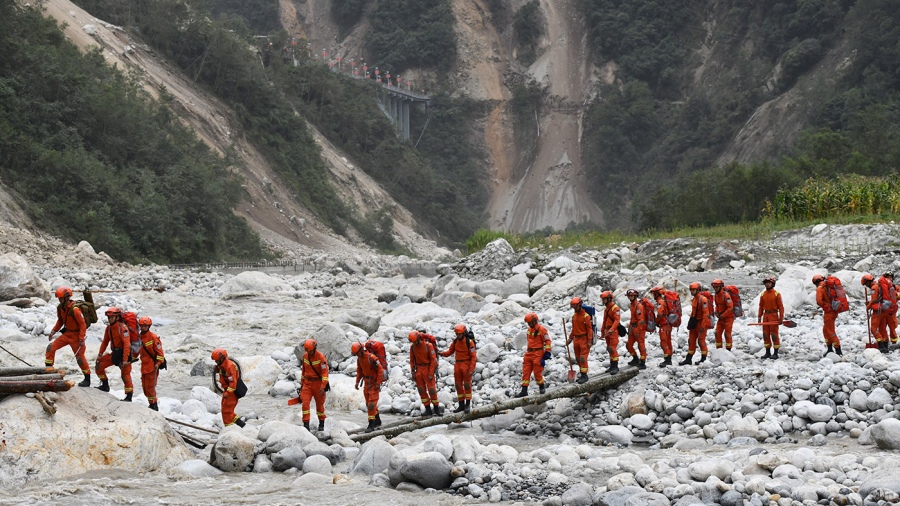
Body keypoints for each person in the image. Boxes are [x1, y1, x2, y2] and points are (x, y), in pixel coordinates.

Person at [45, 286, 91, 387]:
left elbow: (82, 324)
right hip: (67, 334)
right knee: (50, 348)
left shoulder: (75, 309)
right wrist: (53, 331)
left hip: (76, 336)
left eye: (61, 298)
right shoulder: (61, 308)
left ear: (66, 298)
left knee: (80, 358)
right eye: (59, 298)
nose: (59, 300)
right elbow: (60, 321)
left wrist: (81, 338)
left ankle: (87, 378)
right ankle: (48, 372)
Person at [95, 307, 134, 401]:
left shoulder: (123, 328)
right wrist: (100, 355)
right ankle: (105, 385)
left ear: (117, 317)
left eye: (112, 317)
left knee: (125, 375)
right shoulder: (109, 328)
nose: (110, 319)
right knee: (99, 366)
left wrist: (125, 359)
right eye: (109, 317)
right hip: (115, 353)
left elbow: (126, 344)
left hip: (125, 354)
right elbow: (105, 342)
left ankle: (129, 396)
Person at [440, 324, 477, 412]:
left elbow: (473, 357)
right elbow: (450, 351)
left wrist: (471, 369)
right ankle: (461, 405)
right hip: (458, 365)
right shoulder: (455, 341)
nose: (458, 335)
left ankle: (467, 405)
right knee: (458, 385)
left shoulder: (469, 342)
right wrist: (441, 353)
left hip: (466, 365)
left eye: (459, 334)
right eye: (457, 334)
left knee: (467, 385)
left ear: (463, 333)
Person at [352, 342, 385, 433]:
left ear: (361, 350)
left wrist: (378, 383)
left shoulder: (371, 357)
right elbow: (359, 371)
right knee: (368, 404)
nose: (357, 355)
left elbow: (380, 370)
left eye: (357, 353)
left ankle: (371, 424)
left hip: (374, 383)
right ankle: (377, 420)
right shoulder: (360, 359)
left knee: (371, 405)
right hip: (366, 383)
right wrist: (357, 382)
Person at [517, 312, 551, 397]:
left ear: (534, 321)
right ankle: (524, 390)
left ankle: (541, 386)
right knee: (526, 372)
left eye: (530, 322)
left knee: (537, 372)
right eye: (528, 323)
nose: (529, 324)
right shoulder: (529, 330)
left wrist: (547, 351)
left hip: (538, 353)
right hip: (529, 353)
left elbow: (547, 341)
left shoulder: (542, 330)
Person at [299, 339, 329, 431]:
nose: (309, 353)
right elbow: (304, 371)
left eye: (311, 351)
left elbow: (325, 373)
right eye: (308, 351)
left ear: (315, 348)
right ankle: (306, 426)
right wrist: (302, 384)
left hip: (318, 384)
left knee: (320, 406)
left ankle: (321, 424)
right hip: (307, 384)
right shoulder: (305, 356)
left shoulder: (321, 358)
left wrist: (323, 386)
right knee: (305, 404)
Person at [409, 331, 441, 416]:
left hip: (427, 368)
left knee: (432, 390)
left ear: (419, 339)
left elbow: (433, 360)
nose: (414, 343)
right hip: (419, 370)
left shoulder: (428, 346)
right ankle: (427, 409)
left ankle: (436, 408)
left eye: (415, 341)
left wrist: (431, 373)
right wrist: (413, 372)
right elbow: (412, 360)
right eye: (413, 342)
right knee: (421, 390)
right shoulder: (413, 347)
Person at [212, 348, 245, 427]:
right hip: (227, 390)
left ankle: (229, 428)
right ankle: (241, 425)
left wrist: (228, 392)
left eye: (217, 361)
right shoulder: (222, 366)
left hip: (232, 392)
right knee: (227, 411)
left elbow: (233, 382)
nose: (216, 362)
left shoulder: (230, 366)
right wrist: (217, 370)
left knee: (226, 411)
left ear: (222, 358)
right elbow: (224, 374)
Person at [137, 316, 166, 411]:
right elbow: (136, 350)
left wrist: (158, 363)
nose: (143, 327)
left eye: (145, 326)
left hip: (152, 367)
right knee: (145, 388)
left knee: (150, 388)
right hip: (144, 367)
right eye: (142, 326)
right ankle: (151, 403)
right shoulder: (139, 338)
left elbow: (160, 353)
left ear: (149, 326)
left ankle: (154, 405)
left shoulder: (153, 337)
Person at [680, 282, 710, 365]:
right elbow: (693, 312)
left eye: (694, 290)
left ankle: (703, 359)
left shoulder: (702, 299)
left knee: (701, 341)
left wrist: (703, 326)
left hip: (701, 323)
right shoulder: (694, 299)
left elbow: (706, 314)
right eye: (691, 290)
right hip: (694, 323)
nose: (692, 291)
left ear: (698, 290)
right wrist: (690, 323)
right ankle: (688, 359)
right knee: (691, 341)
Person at [812, 274, 842, 357]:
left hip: (829, 312)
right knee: (825, 330)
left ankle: (838, 351)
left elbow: (819, 301)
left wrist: (824, 306)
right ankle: (830, 349)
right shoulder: (828, 286)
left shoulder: (820, 288)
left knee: (830, 331)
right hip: (834, 310)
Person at [566, 297, 594, 383]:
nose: (574, 308)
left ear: (580, 305)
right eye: (573, 307)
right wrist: (570, 339)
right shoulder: (574, 317)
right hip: (576, 340)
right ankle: (582, 373)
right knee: (578, 358)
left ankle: (584, 375)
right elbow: (574, 329)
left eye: (576, 307)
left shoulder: (586, 316)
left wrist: (589, 341)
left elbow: (589, 330)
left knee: (582, 358)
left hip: (584, 339)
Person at [757, 276, 785, 359]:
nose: (767, 284)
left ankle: (775, 353)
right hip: (766, 316)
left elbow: (781, 307)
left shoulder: (777, 294)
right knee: (765, 334)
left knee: (774, 334)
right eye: (766, 283)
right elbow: (760, 307)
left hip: (774, 315)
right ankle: (767, 352)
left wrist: (781, 318)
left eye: (769, 283)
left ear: (772, 284)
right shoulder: (763, 294)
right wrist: (759, 317)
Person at [862, 273, 890, 353]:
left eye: (866, 284)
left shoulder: (874, 288)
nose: (866, 286)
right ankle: (885, 346)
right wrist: (870, 303)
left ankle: (881, 345)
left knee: (874, 329)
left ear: (867, 282)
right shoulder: (880, 286)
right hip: (884, 310)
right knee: (882, 329)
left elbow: (874, 299)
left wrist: (868, 306)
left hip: (878, 311)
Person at [650, 286, 673, 367]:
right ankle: (669, 358)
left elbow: (660, 314)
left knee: (663, 342)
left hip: (664, 325)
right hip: (668, 324)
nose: (653, 295)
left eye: (654, 294)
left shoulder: (660, 302)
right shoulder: (663, 301)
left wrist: (656, 322)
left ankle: (667, 359)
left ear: (657, 294)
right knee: (668, 341)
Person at [624, 290, 647, 370]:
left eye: (631, 296)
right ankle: (635, 359)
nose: (630, 297)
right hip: (633, 328)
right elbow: (632, 318)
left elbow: (641, 320)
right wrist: (630, 328)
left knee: (641, 345)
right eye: (629, 296)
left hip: (639, 329)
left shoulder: (638, 306)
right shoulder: (632, 305)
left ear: (635, 296)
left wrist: (638, 330)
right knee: (628, 345)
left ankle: (643, 362)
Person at [600, 291, 621, 375]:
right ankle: (612, 365)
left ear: (609, 299)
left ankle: (615, 366)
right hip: (608, 331)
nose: (603, 301)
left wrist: (612, 329)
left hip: (613, 331)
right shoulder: (607, 309)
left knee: (612, 348)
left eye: (604, 299)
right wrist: (602, 331)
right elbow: (604, 321)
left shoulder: (615, 308)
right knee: (609, 348)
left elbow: (617, 320)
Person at [711, 279, 735, 351]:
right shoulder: (716, 295)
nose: (715, 289)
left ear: (721, 287)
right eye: (714, 287)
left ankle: (728, 349)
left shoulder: (726, 295)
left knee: (727, 334)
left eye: (717, 287)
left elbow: (730, 308)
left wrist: (723, 315)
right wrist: (716, 312)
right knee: (717, 333)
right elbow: (717, 305)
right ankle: (719, 349)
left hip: (728, 317)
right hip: (721, 317)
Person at [879, 272, 898, 345]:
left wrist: (894, 295)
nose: (889, 279)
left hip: (891, 310)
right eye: (887, 277)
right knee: (882, 327)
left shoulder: (894, 287)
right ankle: (885, 342)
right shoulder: (881, 287)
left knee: (892, 327)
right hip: (883, 310)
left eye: (890, 277)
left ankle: (894, 342)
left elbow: (898, 296)